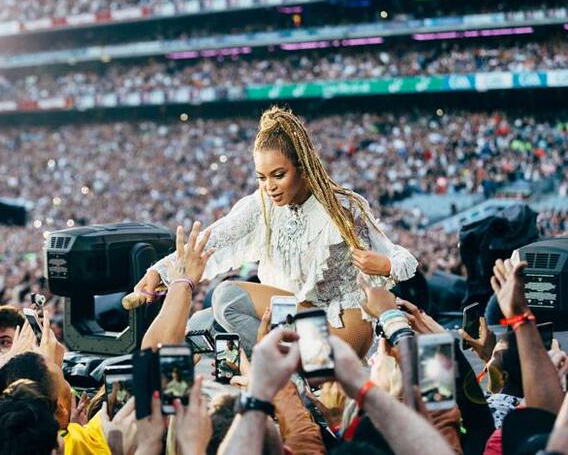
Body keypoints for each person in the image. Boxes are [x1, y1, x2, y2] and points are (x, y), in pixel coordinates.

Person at [136, 106, 418, 356]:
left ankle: (288, 381)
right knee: (202, 321)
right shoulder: (261, 205)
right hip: (297, 317)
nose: (269, 186)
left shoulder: (343, 206)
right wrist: (160, 272)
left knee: (227, 297)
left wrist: (386, 264)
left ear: (303, 167)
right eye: (261, 177)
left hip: (343, 329)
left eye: (278, 175)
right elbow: (214, 241)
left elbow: (402, 258)